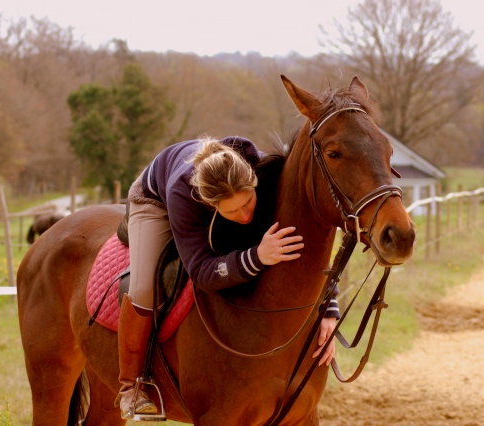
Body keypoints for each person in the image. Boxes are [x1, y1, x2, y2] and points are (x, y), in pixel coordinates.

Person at [116, 135, 339, 420]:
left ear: (253, 182)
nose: (246, 214)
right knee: (144, 287)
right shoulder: (182, 197)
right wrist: (257, 256)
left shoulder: (258, 167)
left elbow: (304, 244)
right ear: (211, 205)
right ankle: (131, 386)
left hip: (218, 181)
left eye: (248, 202)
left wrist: (330, 308)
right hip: (154, 199)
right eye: (233, 211)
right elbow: (201, 272)